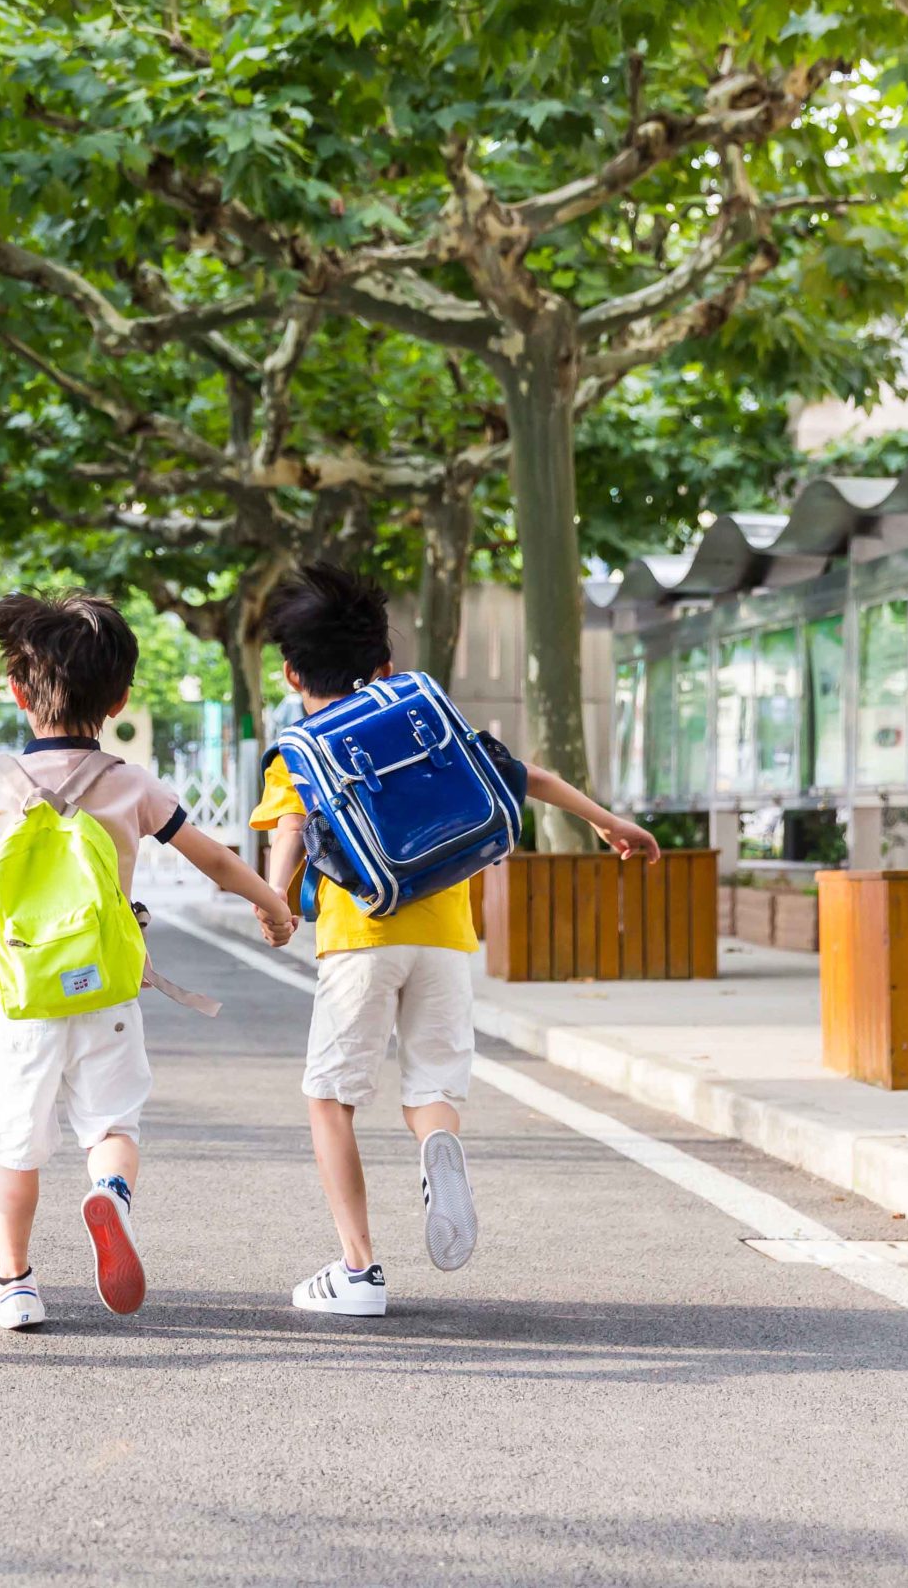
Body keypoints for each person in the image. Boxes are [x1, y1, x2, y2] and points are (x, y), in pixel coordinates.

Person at [251, 564, 659, 1318]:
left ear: (289, 672)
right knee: (432, 1087)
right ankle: (438, 1145)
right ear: (384, 667)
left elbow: (292, 831)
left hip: (359, 935)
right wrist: (609, 821)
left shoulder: (301, 747)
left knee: (330, 1098)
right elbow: (523, 775)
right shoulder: (417, 715)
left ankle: (359, 1271)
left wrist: (276, 904)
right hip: (446, 932)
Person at [0, 592, 296, 1332]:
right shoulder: (130, 783)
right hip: (108, 991)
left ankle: (16, 1284)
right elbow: (213, 858)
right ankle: (109, 1197)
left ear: (19, 693)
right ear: (120, 699)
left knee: (17, 1149)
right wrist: (272, 902)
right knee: (113, 1126)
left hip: (19, 996)